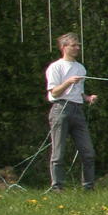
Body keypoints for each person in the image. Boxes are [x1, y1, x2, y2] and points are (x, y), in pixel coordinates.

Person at [45, 32, 97, 192]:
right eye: (73, 45)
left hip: (78, 111)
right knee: (58, 153)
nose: (77, 48)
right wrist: (68, 82)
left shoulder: (80, 68)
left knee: (88, 152)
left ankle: (88, 187)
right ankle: (57, 187)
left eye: (78, 45)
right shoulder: (56, 67)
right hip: (60, 109)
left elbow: (78, 92)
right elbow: (54, 93)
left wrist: (88, 98)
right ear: (63, 47)